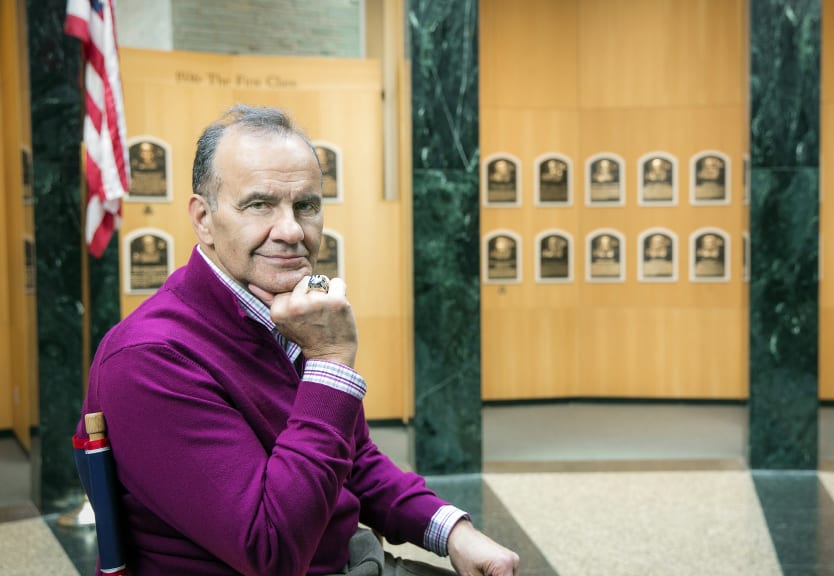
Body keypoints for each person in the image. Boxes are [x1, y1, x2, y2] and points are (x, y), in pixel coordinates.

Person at [76, 104, 520, 576]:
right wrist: (330, 362)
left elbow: (354, 460)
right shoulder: (149, 358)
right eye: (259, 204)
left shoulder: (288, 310)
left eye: (305, 205)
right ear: (203, 218)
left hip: (351, 557)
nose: (290, 230)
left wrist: (452, 531)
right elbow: (270, 550)